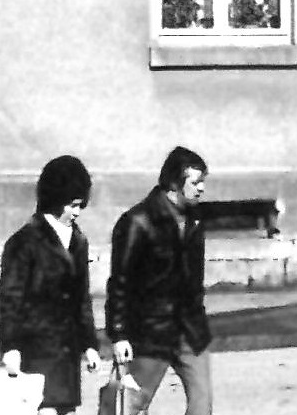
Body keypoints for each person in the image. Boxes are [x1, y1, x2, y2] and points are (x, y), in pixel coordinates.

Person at [106, 145, 212, 415]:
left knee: (203, 405)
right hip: (149, 331)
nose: (202, 189)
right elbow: (120, 282)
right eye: (196, 183)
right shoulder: (136, 222)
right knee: (126, 406)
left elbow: (194, 278)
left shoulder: (195, 220)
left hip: (190, 329)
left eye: (203, 182)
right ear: (176, 183)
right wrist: (118, 334)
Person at [0, 154, 102, 413]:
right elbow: (11, 299)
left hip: (67, 356)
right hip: (36, 350)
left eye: (80, 205)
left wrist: (89, 344)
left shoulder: (78, 241)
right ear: (56, 201)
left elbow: (81, 299)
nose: (77, 213)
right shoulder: (24, 242)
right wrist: (10, 346)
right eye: (72, 205)